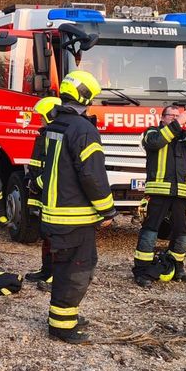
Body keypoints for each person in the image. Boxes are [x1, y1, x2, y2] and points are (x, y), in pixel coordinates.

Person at [38, 72, 115, 344]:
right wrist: (107, 209)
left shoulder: (55, 125)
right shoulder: (82, 129)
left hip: (55, 214)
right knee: (77, 270)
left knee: (63, 268)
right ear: (87, 97)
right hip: (75, 217)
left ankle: (63, 316)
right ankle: (62, 326)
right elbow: (92, 174)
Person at [132, 104, 186, 287]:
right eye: (171, 115)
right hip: (158, 192)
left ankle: (177, 267)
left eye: (177, 115)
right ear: (162, 118)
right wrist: (177, 123)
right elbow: (155, 143)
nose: (175, 118)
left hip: (181, 193)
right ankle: (142, 271)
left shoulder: (185, 136)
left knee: (181, 233)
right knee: (150, 230)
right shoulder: (152, 132)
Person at [25, 96, 62, 289]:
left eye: (42, 115)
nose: (39, 119)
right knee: (45, 233)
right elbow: (38, 162)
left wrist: (37, 183)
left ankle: (56, 275)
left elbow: (53, 168)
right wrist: (30, 179)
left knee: (54, 235)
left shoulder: (54, 136)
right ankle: (46, 270)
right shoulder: (45, 134)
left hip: (50, 192)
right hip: (40, 190)